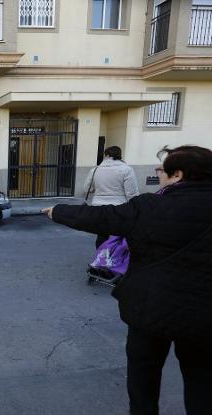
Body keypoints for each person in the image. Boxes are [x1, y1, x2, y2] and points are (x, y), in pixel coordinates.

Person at [43, 145, 212, 415]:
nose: (159, 174)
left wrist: (57, 211)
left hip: (150, 311)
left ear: (178, 174)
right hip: (205, 319)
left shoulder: (150, 206)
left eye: (162, 170)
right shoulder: (144, 197)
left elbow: (100, 217)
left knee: (143, 381)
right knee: (203, 384)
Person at [83, 146, 139, 248]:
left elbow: (87, 189)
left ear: (106, 155)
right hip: (119, 208)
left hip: (98, 207)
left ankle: (101, 258)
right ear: (120, 155)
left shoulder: (95, 170)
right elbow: (131, 193)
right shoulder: (127, 170)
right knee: (117, 235)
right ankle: (115, 259)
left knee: (102, 234)